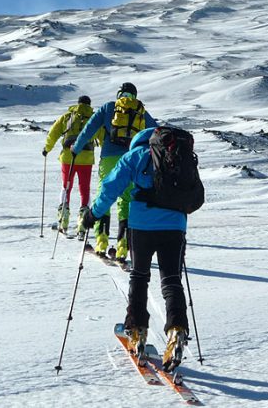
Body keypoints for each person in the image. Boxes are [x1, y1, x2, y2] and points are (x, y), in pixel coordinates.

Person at [81, 127, 189, 369]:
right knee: (172, 281)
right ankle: (177, 331)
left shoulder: (135, 156)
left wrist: (94, 214)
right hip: (175, 226)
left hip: (142, 226)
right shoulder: (178, 155)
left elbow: (111, 187)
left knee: (139, 277)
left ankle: (137, 331)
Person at [71, 82, 157, 260]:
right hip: (133, 161)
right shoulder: (141, 111)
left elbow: (89, 130)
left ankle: (101, 241)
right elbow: (156, 133)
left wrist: (76, 149)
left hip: (109, 159)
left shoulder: (109, 107)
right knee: (126, 200)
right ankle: (123, 246)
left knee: (105, 194)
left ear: (119, 94)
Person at [42, 96, 101, 235]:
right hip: (86, 158)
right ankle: (82, 223)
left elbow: (53, 133)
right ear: (89, 105)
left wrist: (47, 148)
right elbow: (102, 136)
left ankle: (63, 220)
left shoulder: (68, 116)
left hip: (68, 157)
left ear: (78, 103)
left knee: (66, 186)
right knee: (84, 188)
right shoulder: (94, 118)